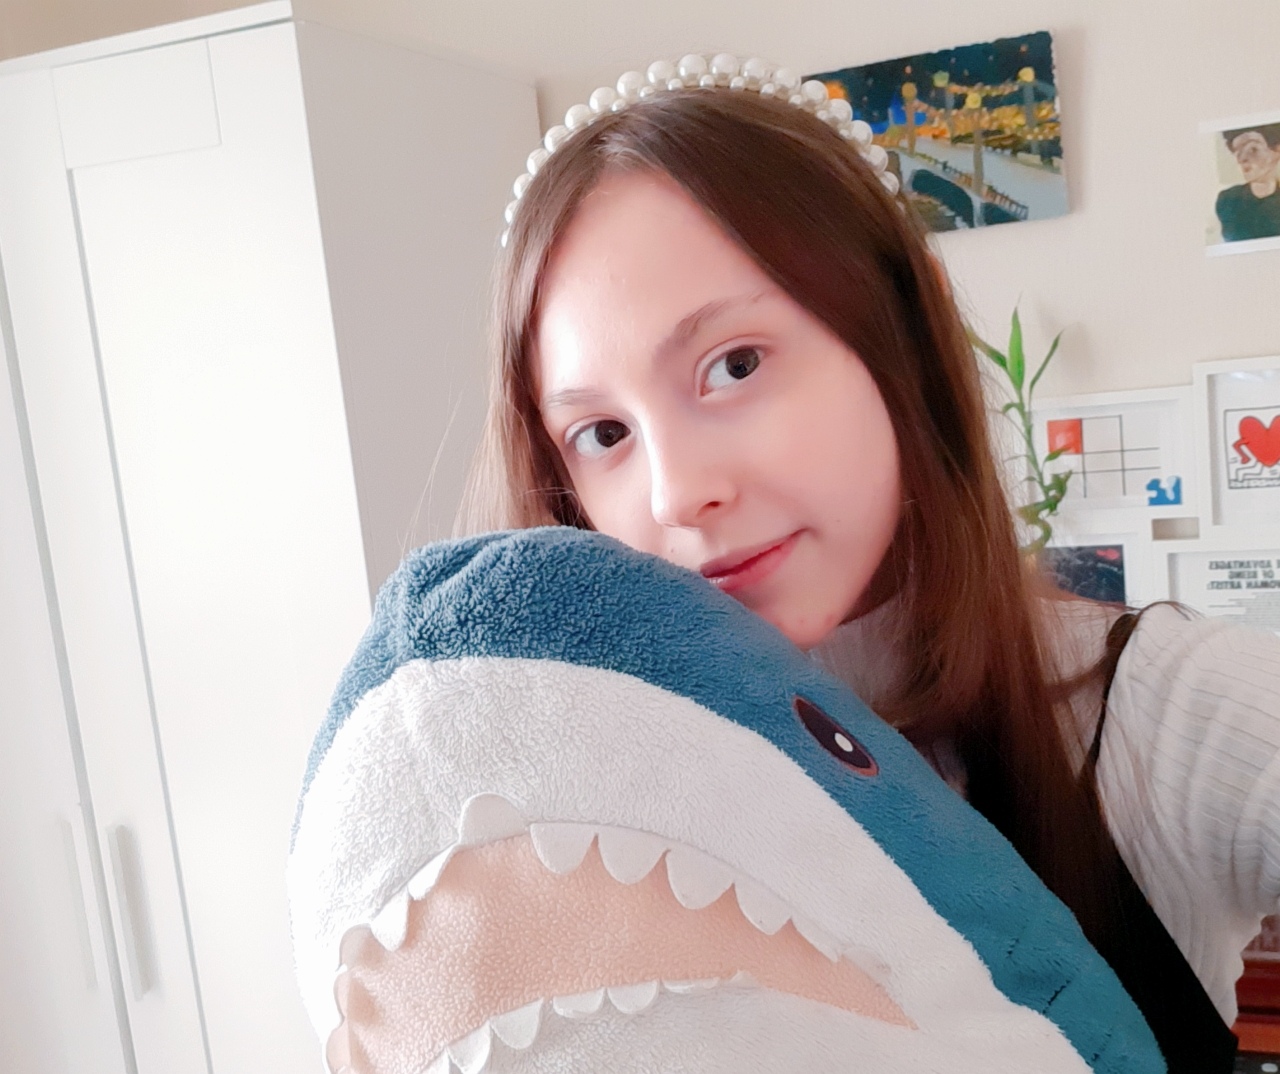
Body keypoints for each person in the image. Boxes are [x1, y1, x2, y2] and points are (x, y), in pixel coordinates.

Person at [461, 54, 1280, 1071]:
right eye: (602, 434)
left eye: (734, 365)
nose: (676, 494)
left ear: (901, 329)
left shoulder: (1156, 712)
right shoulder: (576, 805)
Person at [1215, 122, 1280, 242]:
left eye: (1253, 150)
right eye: (1237, 152)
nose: (1241, 159)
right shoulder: (1227, 201)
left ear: (1277, 150)